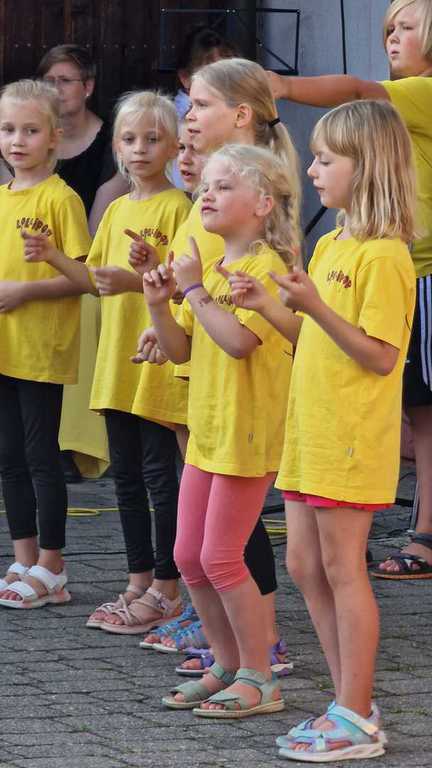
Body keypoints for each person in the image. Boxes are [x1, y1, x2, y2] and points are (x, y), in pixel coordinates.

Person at [228, 100, 416, 759]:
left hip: (350, 434)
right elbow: (312, 338)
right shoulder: (333, 243)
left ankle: (357, 714)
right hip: (310, 429)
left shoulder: (385, 256)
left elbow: (381, 356)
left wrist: (313, 305)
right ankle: (348, 701)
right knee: (305, 564)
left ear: (367, 168)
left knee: (342, 567)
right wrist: (272, 306)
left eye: (325, 160)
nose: (311, 171)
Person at [133, 58, 299, 672]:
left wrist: (196, 290)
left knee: (223, 556)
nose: (206, 195)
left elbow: (237, 342)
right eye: (204, 188)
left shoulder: (265, 264)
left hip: (244, 431)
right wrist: (159, 307)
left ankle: (258, 667)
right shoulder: (217, 256)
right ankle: (228, 664)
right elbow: (184, 348)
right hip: (208, 425)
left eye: (220, 188)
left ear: (260, 203)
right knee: (190, 556)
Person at [267, 0, 432, 579]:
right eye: (388, 28)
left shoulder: (420, 93)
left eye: (406, 27)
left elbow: (360, 90)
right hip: (320, 429)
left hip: (421, 270)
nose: (392, 37)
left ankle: (423, 534)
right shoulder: (335, 242)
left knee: (423, 410)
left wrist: (283, 85)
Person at [21, 90, 192, 632]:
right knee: (126, 480)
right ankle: (137, 580)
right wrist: (53, 256)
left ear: (173, 147)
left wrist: (147, 270)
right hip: (117, 363)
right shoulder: (116, 209)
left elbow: (186, 286)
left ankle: (167, 585)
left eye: (152, 139)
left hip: (157, 362)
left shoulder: (180, 208)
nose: (139, 149)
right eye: (129, 139)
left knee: (161, 477)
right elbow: (94, 281)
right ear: (116, 146)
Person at [0, 79, 91, 607]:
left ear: (55, 136)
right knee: (9, 457)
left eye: (30, 130)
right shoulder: (2, 197)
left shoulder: (61, 198)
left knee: (41, 457)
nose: (17, 140)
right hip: (5, 347)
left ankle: (52, 565)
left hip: (40, 350)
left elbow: (83, 278)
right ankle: (23, 557)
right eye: (8, 129)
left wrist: (26, 290)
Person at [38, 44, 129, 481]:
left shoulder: (111, 145)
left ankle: (74, 445)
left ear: (88, 87)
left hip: (85, 266)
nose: (55, 89)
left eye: (65, 81)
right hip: (31, 262)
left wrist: (53, 272)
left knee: (84, 307)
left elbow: (93, 242)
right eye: (48, 81)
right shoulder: (25, 137)